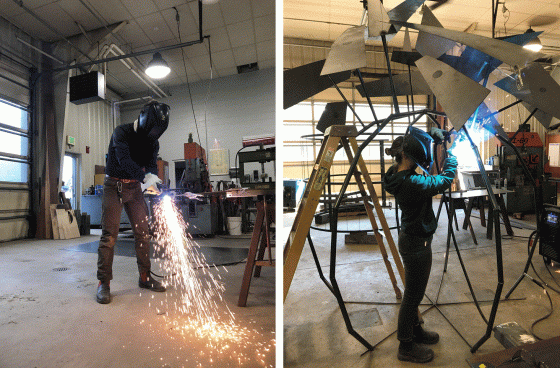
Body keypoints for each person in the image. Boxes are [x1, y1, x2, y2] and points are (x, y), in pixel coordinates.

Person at [383, 127, 458, 363]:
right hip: (416, 244)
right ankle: (406, 346)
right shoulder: (412, 182)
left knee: (413, 293)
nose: (419, 162)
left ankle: (416, 332)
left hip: (412, 239)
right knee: (413, 296)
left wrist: (434, 142)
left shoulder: (395, 173)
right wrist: (451, 156)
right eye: (415, 157)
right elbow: (444, 180)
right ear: (407, 156)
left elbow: (413, 148)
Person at [96, 101, 170, 304]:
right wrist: (144, 177)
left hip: (135, 189)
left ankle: (145, 277)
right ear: (144, 120)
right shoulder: (122, 132)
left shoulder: (153, 142)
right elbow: (124, 161)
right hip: (114, 186)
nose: (152, 136)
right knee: (109, 236)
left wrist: (153, 179)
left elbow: (150, 165)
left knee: (143, 234)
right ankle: (104, 283)